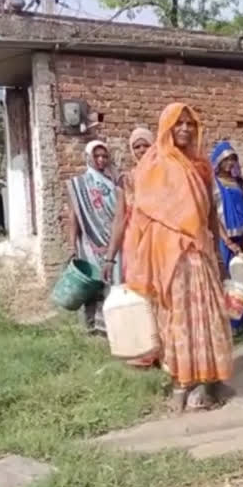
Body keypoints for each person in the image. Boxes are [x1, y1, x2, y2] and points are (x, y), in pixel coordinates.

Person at [124, 103, 233, 412]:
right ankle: (181, 380)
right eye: (178, 123)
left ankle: (205, 380)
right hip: (168, 253)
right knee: (176, 316)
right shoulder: (153, 164)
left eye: (190, 124)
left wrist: (216, 252)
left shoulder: (200, 165)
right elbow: (142, 215)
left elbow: (209, 212)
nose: (185, 129)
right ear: (166, 127)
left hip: (198, 251)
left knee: (205, 314)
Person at [102, 127, 156, 368]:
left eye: (145, 145)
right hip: (135, 246)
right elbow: (119, 219)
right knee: (139, 296)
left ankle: (167, 348)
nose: (142, 150)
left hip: (159, 242)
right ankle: (144, 348)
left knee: (162, 295)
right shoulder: (127, 180)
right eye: (137, 146)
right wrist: (110, 257)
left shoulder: (162, 174)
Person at [67, 140, 121, 335]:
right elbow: (73, 217)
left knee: (113, 286)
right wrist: (72, 247)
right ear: (88, 157)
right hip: (89, 244)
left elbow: (119, 215)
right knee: (92, 286)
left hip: (113, 244)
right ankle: (92, 327)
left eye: (104, 156)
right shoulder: (79, 185)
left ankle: (111, 328)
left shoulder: (114, 184)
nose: (101, 159)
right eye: (96, 156)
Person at [210, 140, 243, 332]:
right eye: (226, 160)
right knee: (230, 281)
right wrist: (228, 242)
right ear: (218, 162)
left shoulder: (240, 183)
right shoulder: (214, 185)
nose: (230, 164)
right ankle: (233, 323)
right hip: (225, 240)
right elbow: (213, 214)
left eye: (232, 160)